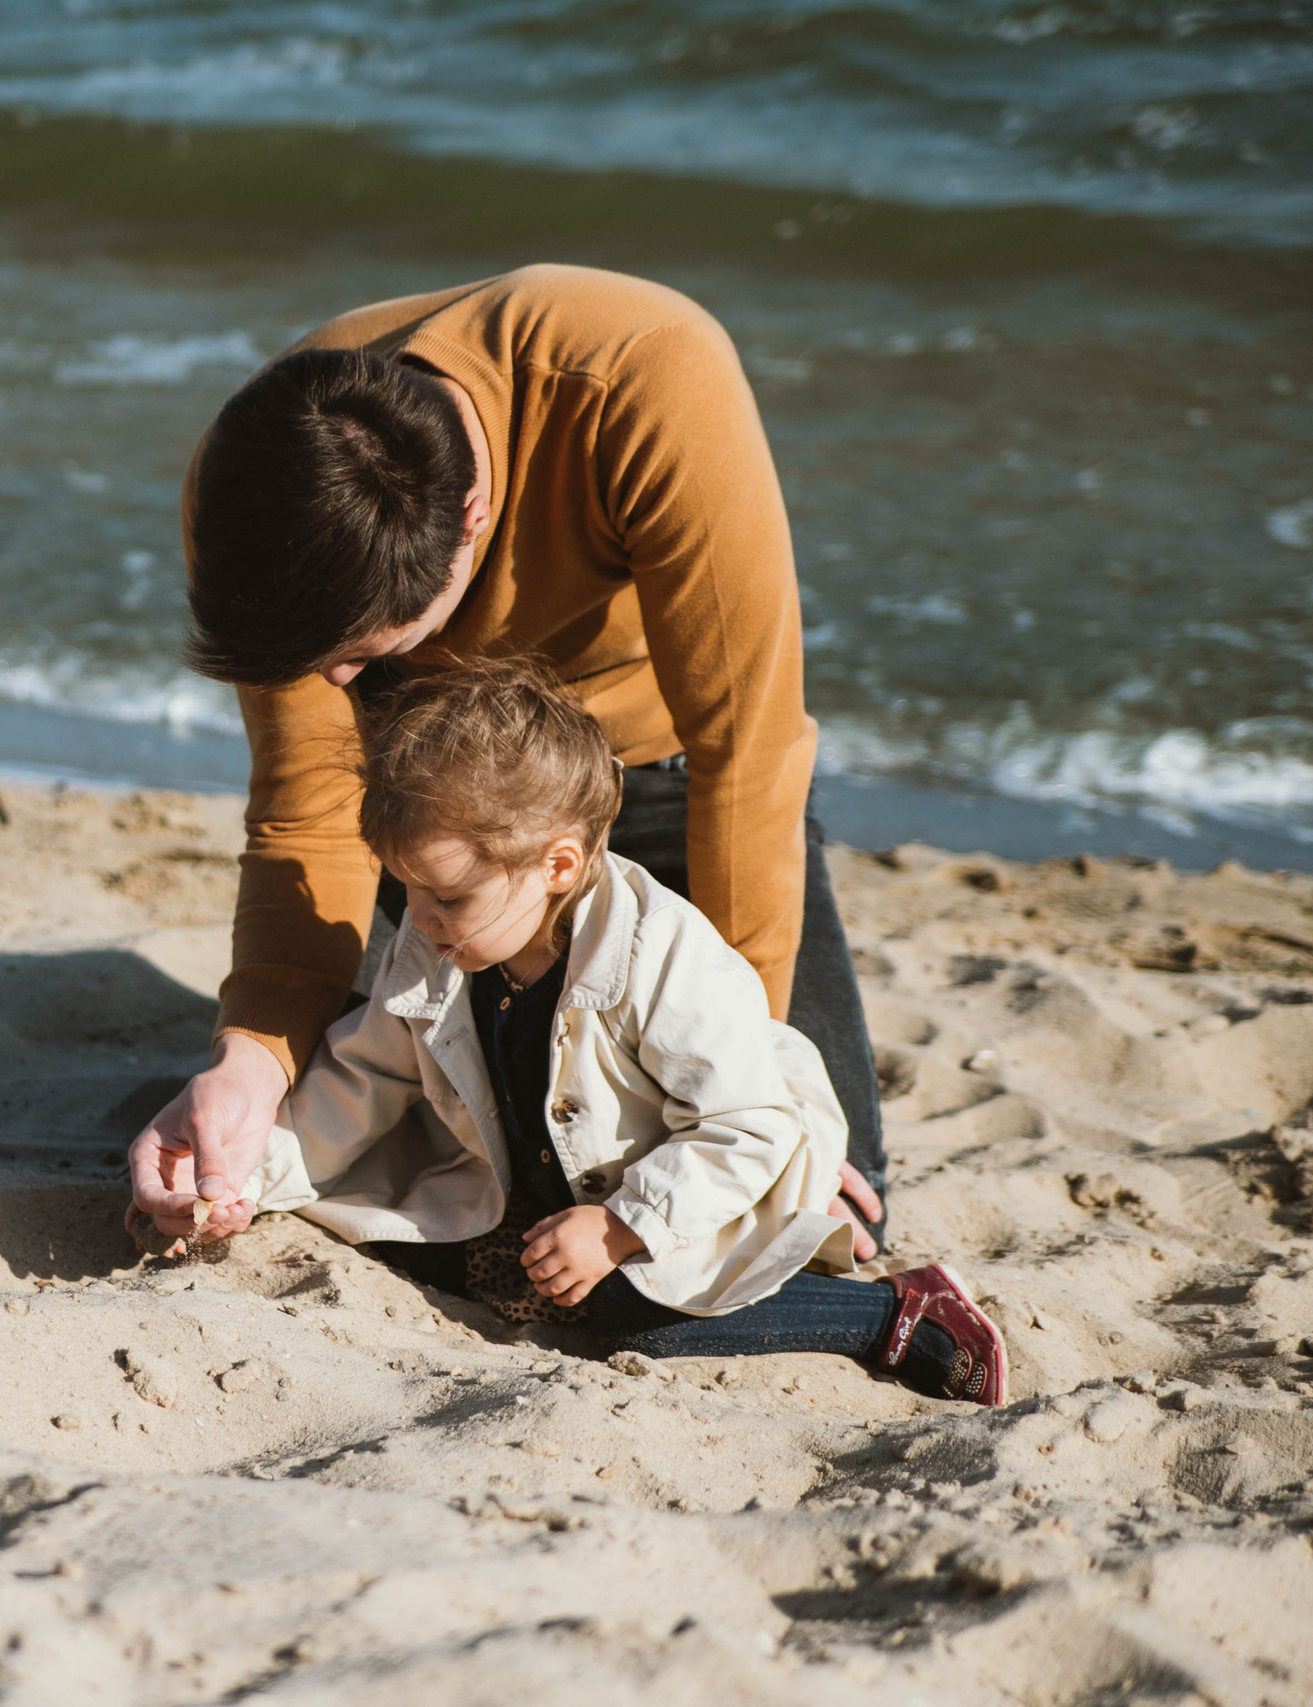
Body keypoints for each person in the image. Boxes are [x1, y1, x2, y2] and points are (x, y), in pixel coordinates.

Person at [129, 264, 888, 1256]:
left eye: (363, 655)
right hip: (435, 812)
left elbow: (746, 751)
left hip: (659, 781)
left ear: (475, 517)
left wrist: (758, 1070)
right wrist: (252, 1059)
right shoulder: (260, 479)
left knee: (816, 1208)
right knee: (441, 1178)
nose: (333, 682)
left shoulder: (645, 379)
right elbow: (309, 808)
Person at [211, 660, 1003, 1402]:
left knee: (637, 1318)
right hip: (546, 1184)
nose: (416, 917)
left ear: (558, 865)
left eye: (446, 895)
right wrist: (245, 1181)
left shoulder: (659, 954)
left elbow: (750, 1127)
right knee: (390, 1227)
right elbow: (364, 1078)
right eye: (406, 887)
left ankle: (895, 1314)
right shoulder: (439, 945)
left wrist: (621, 1227)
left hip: (693, 1187)